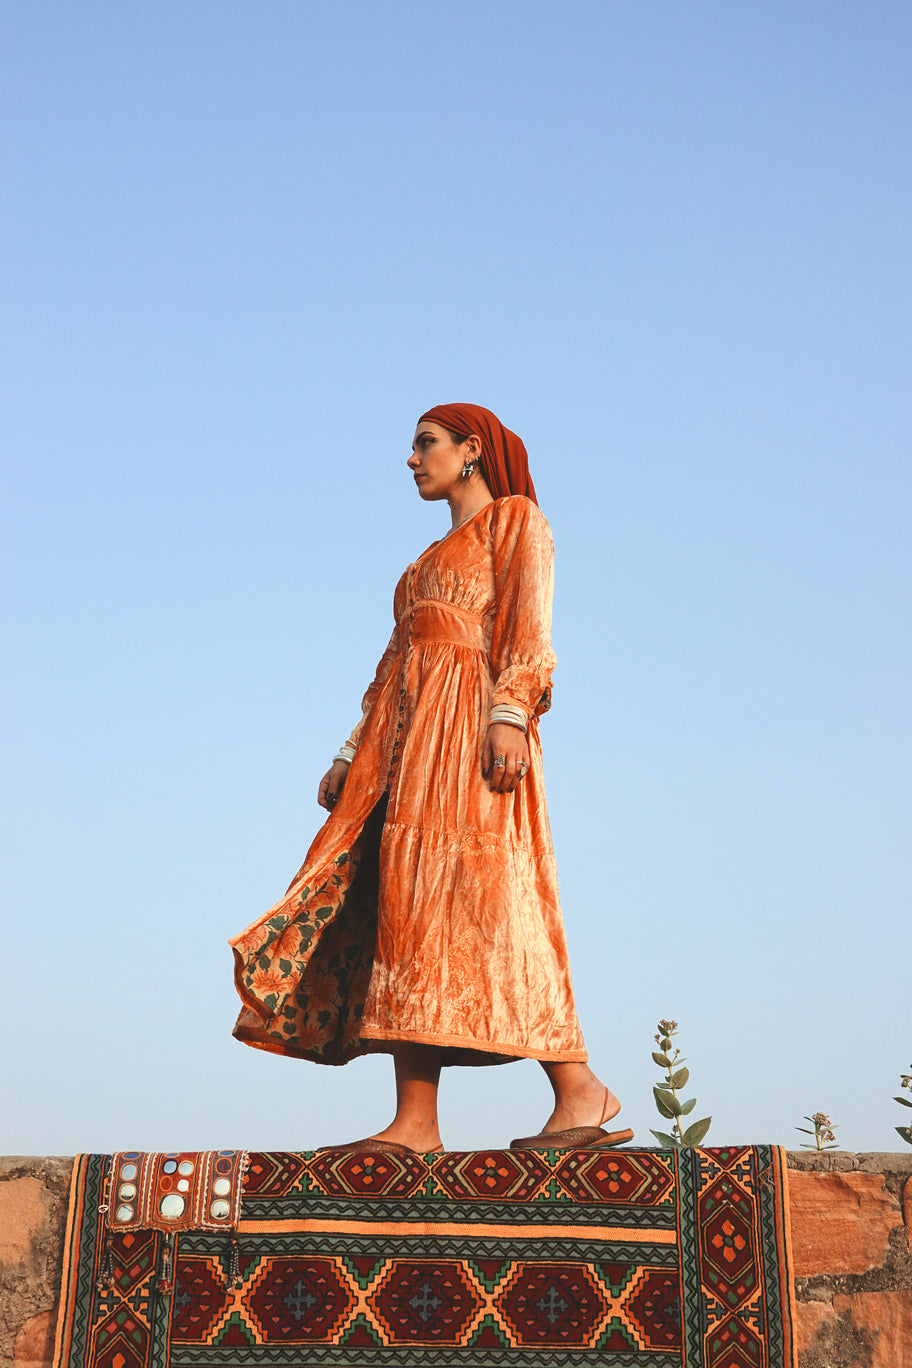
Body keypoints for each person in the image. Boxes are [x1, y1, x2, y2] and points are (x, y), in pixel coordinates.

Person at [230, 403, 632, 1156]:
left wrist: (510, 713)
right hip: (408, 749)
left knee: (496, 905)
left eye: (426, 444)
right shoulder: (419, 567)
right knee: (408, 912)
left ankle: (579, 1088)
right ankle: (416, 1122)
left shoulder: (515, 521)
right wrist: (351, 752)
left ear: (471, 448)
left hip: (474, 737)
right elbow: (391, 667)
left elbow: (529, 627)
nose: (412, 459)